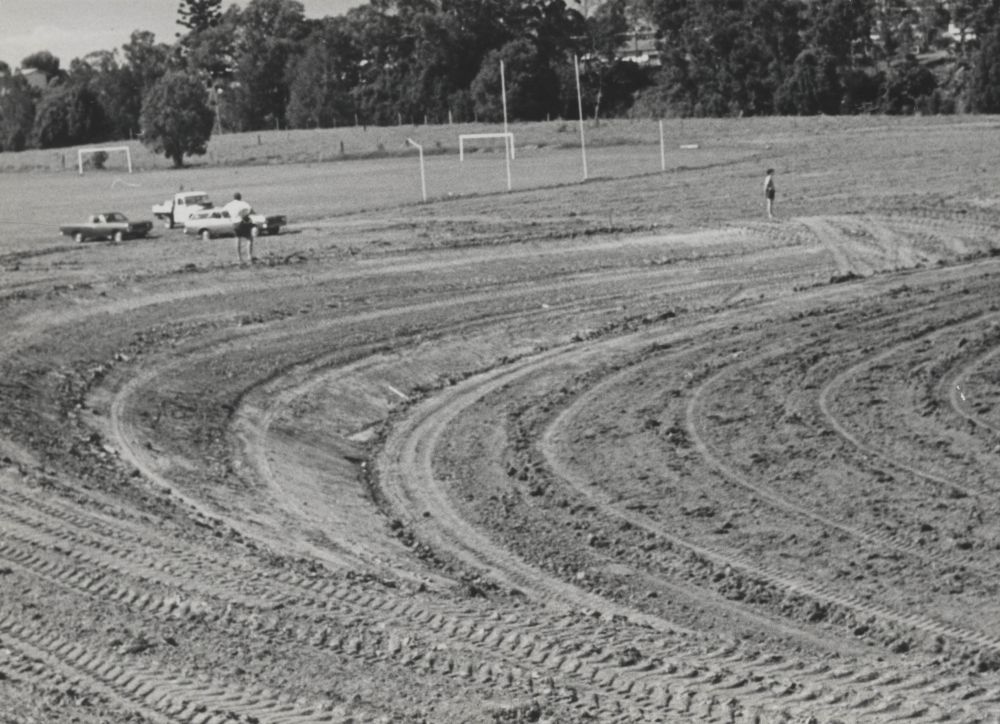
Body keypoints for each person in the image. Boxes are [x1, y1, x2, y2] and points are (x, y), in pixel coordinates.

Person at [224, 192, 256, 264]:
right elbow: (251, 211)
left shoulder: (229, 204)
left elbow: (223, 212)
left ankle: (239, 258)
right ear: (240, 197)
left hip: (234, 223)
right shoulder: (243, 203)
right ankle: (249, 256)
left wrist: (229, 216)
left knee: (238, 238)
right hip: (242, 222)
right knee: (249, 238)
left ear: (234, 197)